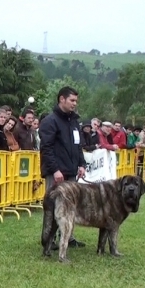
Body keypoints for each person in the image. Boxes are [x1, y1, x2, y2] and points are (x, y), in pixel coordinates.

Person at [39, 86, 86, 250]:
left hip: (72, 171)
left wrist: (82, 164)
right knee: (53, 207)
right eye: (72, 100)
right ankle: (48, 240)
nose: (74, 104)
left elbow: (77, 145)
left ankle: (68, 237)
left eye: (76, 101)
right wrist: (55, 170)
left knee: (71, 206)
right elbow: (47, 148)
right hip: (56, 172)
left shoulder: (73, 122)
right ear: (62, 99)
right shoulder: (49, 122)